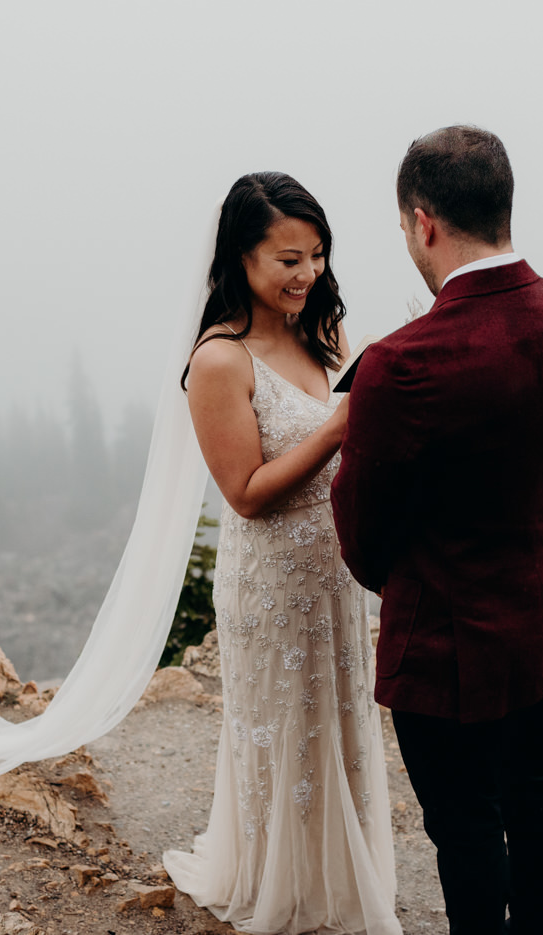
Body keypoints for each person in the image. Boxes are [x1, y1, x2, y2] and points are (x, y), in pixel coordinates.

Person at [331, 127, 543, 935]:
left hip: (448, 638)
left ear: (422, 222)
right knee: (535, 787)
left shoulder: (400, 365)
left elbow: (363, 537)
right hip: (541, 617)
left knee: (467, 825)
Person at [162, 172, 402, 935]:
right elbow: (245, 489)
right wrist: (340, 423)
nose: (308, 275)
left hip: (335, 576)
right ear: (242, 258)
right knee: (284, 734)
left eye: (318, 256)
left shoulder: (320, 336)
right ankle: (280, 888)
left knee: (336, 726)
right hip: (269, 581)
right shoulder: (221, 360)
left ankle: (336, 880)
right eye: (288, 259)